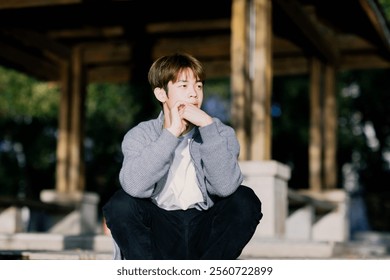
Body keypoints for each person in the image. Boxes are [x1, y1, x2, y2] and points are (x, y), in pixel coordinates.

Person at [103, 53, 263, 260]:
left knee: (244, 199)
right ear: (162, 94)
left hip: (204, 230)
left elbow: (224, 187)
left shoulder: (220, 132)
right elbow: (134, 186)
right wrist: (170, 134)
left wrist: (207, 127)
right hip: (159, 231)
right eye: (184, 86)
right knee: (120, 203)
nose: (194, 94)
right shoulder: (140, 135)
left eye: (198, 86)